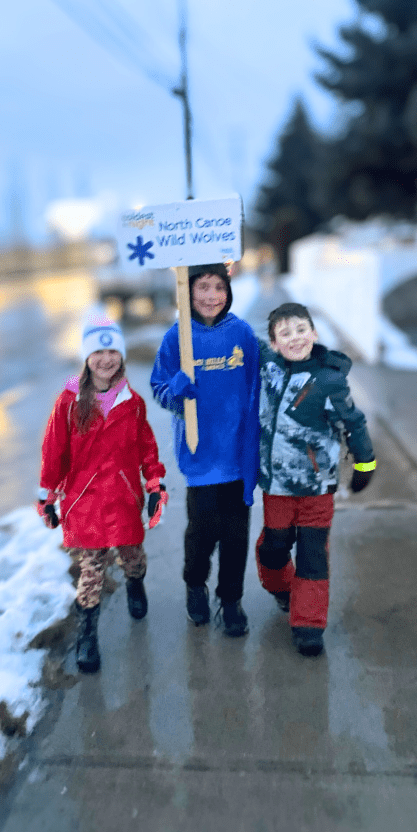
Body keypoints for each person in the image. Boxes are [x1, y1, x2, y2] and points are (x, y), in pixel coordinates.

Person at [38, 313, 167, 673]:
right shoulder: (68, 402)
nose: (106, 359)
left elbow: (146, 447)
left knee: (133, 556)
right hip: (85, 502)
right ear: (86, 357)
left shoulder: (132, 402)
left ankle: (136, 584)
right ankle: (87, 635)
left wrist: (154, 484)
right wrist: (48, 495)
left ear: (121, 355)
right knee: (91, 572)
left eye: (112, 352)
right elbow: (54, 452)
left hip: (124, 499)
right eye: (98, 352)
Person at [256, 302, 376, 656]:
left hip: (316, 488)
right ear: (274, 343)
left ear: (314, 333)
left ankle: (308, 625)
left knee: (312, 554)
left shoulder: (328, 380)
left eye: (301, 330)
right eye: (285, 333)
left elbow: (353, 422)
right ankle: (282, 588)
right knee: (273, 547)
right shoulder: (269, 367)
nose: (295, 338)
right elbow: (239, 336)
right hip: (277, 487)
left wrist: (365, 465)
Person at [150, 263, 260, 636]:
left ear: (228, 291)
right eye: (202, 287)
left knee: (236, 536)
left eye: (218, 287)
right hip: (200, 454)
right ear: (188, 290)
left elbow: (261, 382)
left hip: (237, 454)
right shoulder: (176, 338)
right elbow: (159, 387)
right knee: (201, 532)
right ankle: (195, 584)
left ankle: (230, 599)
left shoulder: (242, 334)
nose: (211, 296)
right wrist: (175, 392)